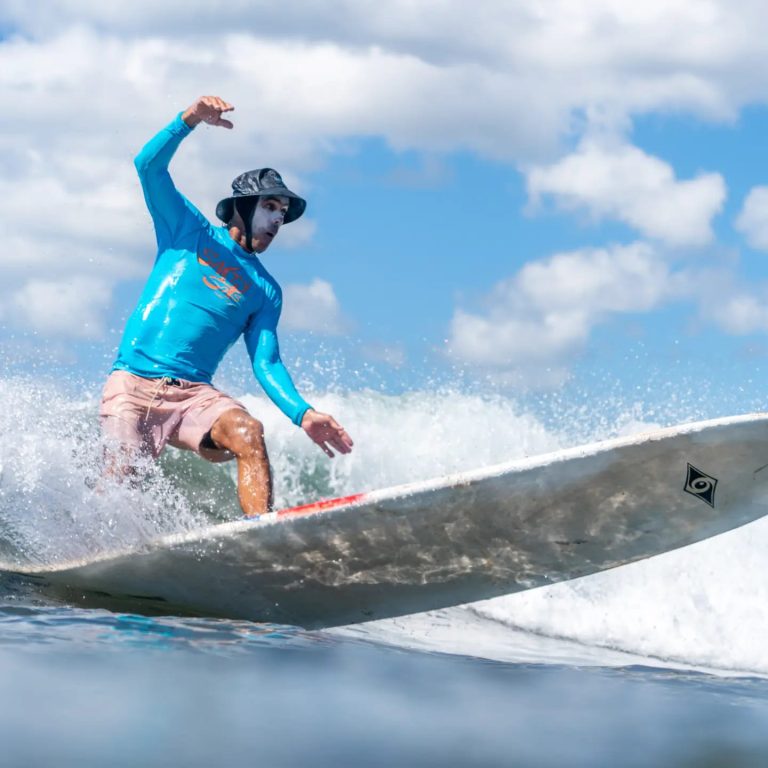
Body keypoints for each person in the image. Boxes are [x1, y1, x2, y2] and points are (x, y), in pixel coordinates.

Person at [99, 95, 353, 517]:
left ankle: (261, 535)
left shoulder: (265, 290)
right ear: (241, 207)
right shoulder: (188, 231)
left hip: (193, 396)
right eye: (270, 206)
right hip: (133, 382)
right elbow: (148, 167)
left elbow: (267, 362)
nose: (277, 220)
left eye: (283, 212)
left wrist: (303, 413)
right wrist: (189, 120)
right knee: (120, 480)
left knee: (248, 432)